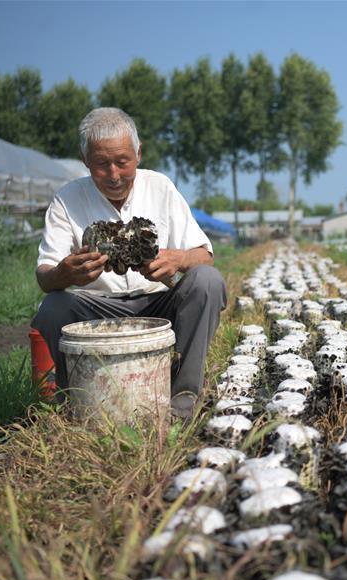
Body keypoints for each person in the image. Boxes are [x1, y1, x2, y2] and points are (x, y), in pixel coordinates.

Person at [31, 107, 227, 418]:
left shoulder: (160, 187)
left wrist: (179, 259)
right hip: (97, 309)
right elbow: (44, 277)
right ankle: (81, 403)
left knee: (207, 281)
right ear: (85, 161)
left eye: (123, 162)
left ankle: (183, 401)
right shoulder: (67, 199)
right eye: (100, 164)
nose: (113, 175)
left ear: (138, 153)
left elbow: (205, 255)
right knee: (54, 307)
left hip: (157, 303)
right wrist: (64, 273)